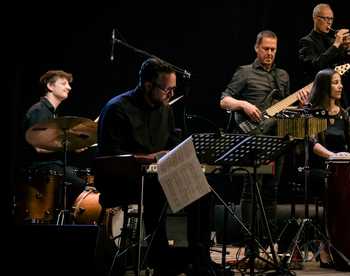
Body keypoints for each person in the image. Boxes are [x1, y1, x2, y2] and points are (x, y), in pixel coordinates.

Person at [97, 58, 211, 275]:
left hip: (155, 178)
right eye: (167, 89)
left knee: (202, 191)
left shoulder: (164, 110)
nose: (171, 94)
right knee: (157, 192)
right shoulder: (117, 109)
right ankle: (160, 258)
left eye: (173, 89)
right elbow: (111, 159)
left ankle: (199, 259)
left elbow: (171, 145)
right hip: (122, 181)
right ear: (148, 85)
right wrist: (151, 158)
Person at [220, 30, 308, 255]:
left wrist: (301, 106)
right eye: (266, 49)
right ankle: (250, 245)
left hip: (276, 139)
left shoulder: (283, 76)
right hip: (251, 138)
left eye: (273, 49)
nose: (270, 53)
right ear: (256, 48)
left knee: (271, 191)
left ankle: (267, 241)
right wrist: (243, 105)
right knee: (252, 190)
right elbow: (224, 100)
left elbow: (285, 111)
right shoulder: (245, 72)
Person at [305, 68, 350, 267]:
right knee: (336, 188)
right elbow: (313, 144)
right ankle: (325, 246)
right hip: (319, 170)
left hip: (341, 170)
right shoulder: (313, 112)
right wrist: (334, 156)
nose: (340, 86)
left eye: (340, 82)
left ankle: (349, 243)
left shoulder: (344, 114)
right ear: (324, 86)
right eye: (335, 82)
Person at [19, 70, 87, 223]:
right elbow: (38, 146)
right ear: (50, 86)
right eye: (64, 83)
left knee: (82, 177)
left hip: (53, 165)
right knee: (81, 184)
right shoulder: (39, 111)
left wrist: (74, 145)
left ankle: (64, 219)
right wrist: (69, 147)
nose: (68, 87)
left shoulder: (52, 114)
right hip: (40, 167)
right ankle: (66, 220)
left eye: (68, 84)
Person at [298, 3, 350, 106]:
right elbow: (315, 65)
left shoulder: (332, 41)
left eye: (331, 19)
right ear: (315, 18)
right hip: (319, 96)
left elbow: (346, 68)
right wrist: (336, 45)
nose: (329, 22)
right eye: (325, 18)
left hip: (337, 96)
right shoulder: (306, 41)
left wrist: (348, 50)